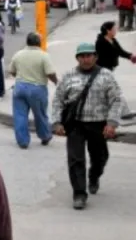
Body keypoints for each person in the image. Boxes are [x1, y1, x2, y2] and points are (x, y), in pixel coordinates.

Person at [50, 42, 128, 210]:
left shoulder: (106, 75)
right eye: (82, 56)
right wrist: (56, 122)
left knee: (100, 157)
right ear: (77, 58)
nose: (85, 59)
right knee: (75, 159)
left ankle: (94, 176)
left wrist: (112, 123)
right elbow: (57, 100)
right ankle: (79, 194)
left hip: (98, 124)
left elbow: (117, 99)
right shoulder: (68, 76)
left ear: (95, 57)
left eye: (88, 56)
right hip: (75, 124)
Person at [7, 32, 58, 148]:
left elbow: (12, 71)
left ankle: (23, 142)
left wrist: (21, 77)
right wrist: (55, 81)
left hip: (20, 88)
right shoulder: (43, 56)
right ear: (39, 42)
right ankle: (45, 136)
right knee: (40, 114)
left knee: (20, 115)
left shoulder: (18, 54)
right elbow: (50, 73)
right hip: (37, 89)